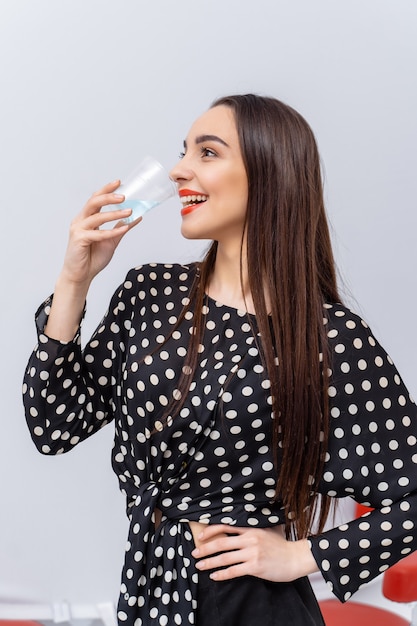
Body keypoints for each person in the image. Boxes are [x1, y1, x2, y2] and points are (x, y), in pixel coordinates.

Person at [23, 94, 417, 626]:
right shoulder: (150, 294)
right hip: (150, 589)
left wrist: (305, 557)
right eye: (184, 151)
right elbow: (53, 426)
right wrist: (74, 281)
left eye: (207, 153)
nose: (180, 169)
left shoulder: (328, 339)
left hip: (253, 606)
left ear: (269, 173)